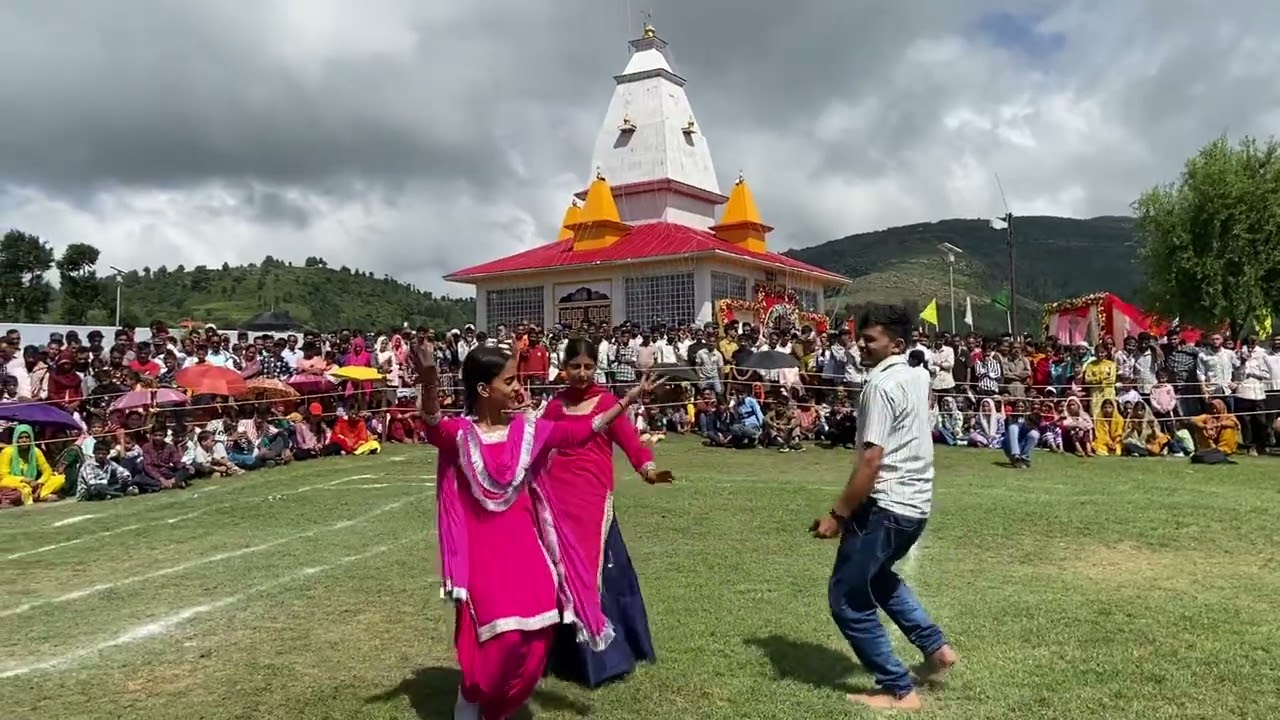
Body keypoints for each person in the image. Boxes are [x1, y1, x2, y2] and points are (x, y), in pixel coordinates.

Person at [410, 338, 659, 720]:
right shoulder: (460, 435)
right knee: (503, 642)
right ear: (483, 389)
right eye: (510, 381)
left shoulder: (528, 431)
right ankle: (473, 695)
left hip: (528, 551)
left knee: (539, 640)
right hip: (483, 556)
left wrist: (626, 402)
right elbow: (431, 424)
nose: (519, 388)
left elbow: (579, 434)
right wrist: (429, 381)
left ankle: (498, 708)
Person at [810, 304, 956, 711]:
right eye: (860, 336)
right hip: (915, 505)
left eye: (869, 338)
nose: (860, 343)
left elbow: (871, 460)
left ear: (896, 343)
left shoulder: (880, 385)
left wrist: (837, 517)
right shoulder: (917, 373)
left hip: (885, 506)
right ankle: (937, 650)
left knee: (847, 598)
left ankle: (898, 690)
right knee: (877, 579)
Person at [540, 338, 673, 689]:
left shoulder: (609, 403)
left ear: (595, 367)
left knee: (595, 570)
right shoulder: (555, 406)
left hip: (594, 501)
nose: (582, 374)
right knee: (557, 573)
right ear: (564, 367)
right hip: (557, 501)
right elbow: (538, 446)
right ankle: (558, 657)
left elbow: (631, 442)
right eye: (575, 366)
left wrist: (648, 470)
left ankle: (604, 658)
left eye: (588, 367)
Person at [0, 424, 66, 505]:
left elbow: (47, 470)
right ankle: (38, 496)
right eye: (20, 438)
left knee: (60, 479)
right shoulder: (8, 451)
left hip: (34, 484)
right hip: (15, 483)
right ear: (16, 439)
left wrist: (40, 483)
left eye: (27, 437)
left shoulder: (36, 451)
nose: (24, 440)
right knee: (14, 485)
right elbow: (3, 475)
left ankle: (40, 495)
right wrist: (24, 480)